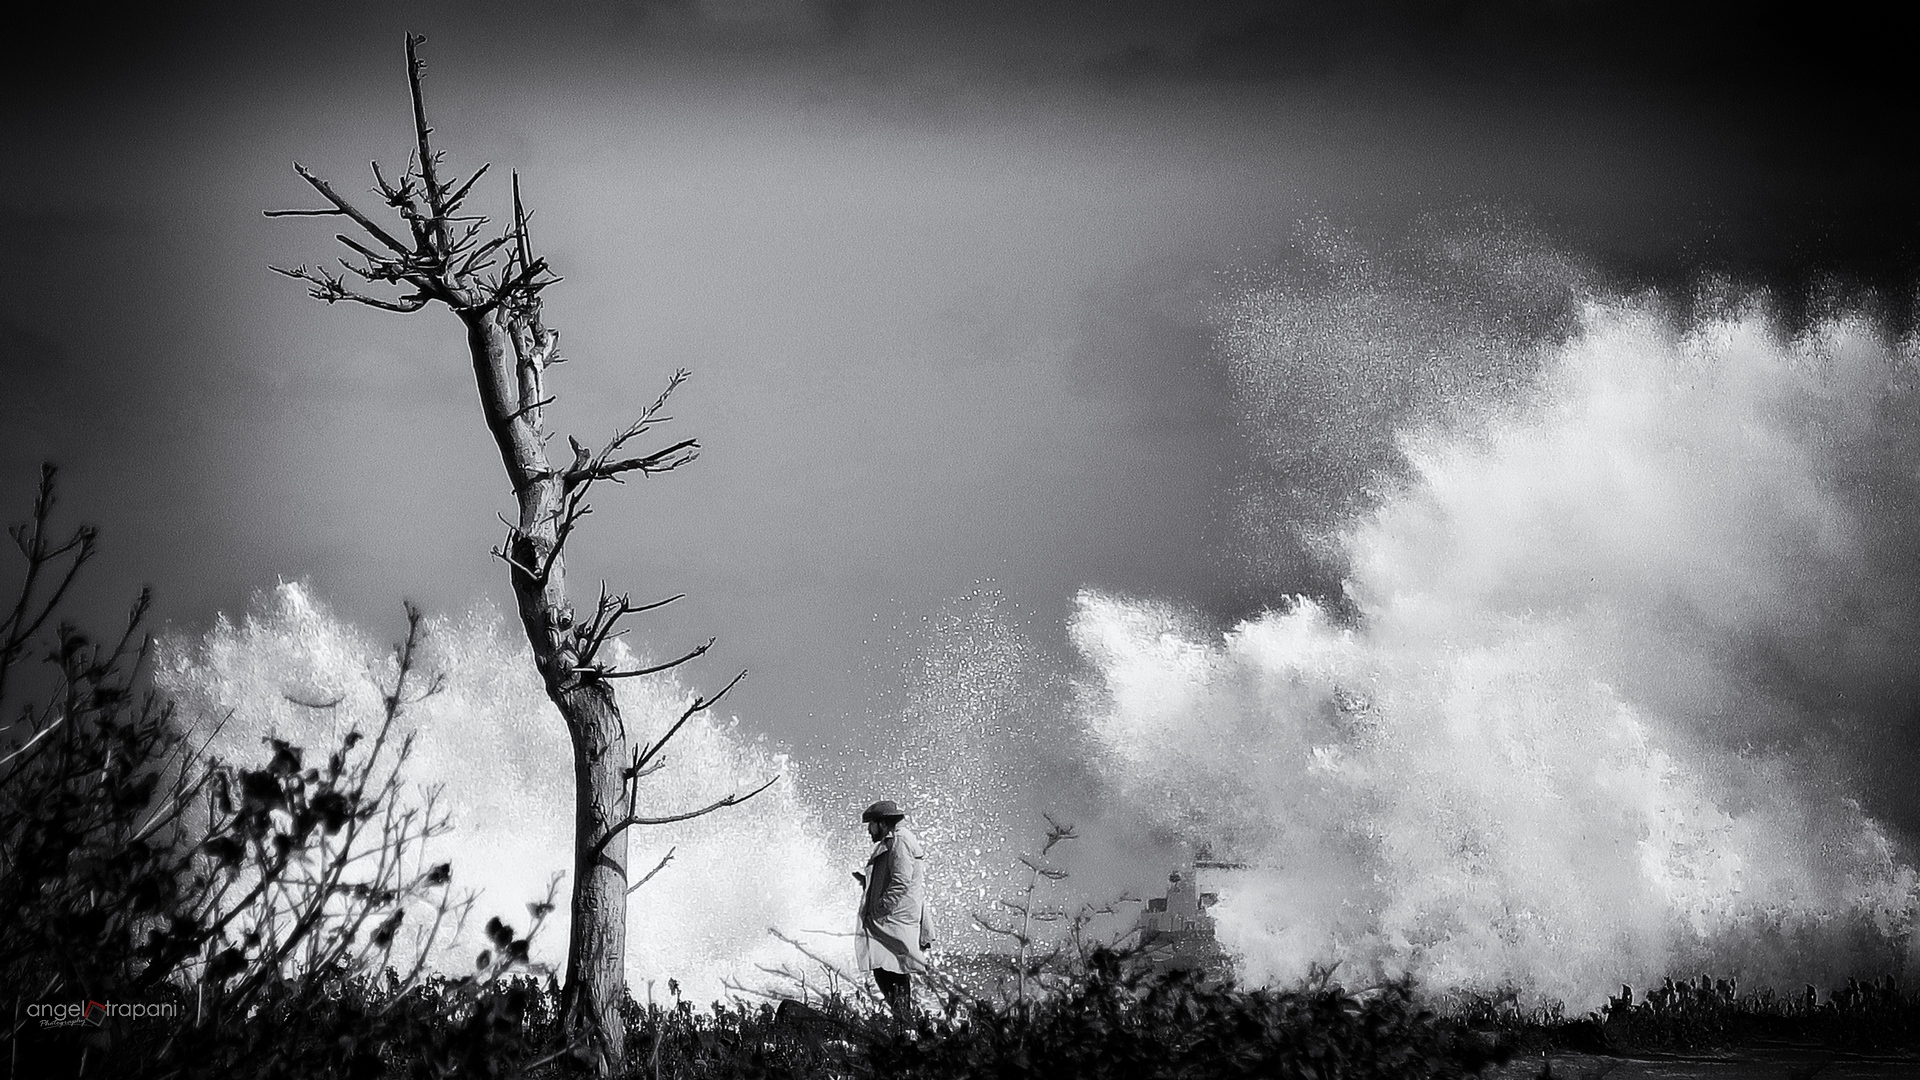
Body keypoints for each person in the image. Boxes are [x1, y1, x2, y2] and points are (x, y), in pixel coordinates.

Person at [852, 799, 933, 1022]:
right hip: (894, 920)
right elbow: (895, 879)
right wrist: (868, 882)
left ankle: (905, 1026)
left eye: (871, 824)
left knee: (891, 972)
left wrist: (879, 909)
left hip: (895, 920)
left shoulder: (900, 841)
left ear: (883, 823)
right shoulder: (895, 840)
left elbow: (900, 882)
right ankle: (904, 1025)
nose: (869, 830)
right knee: (889, 970)